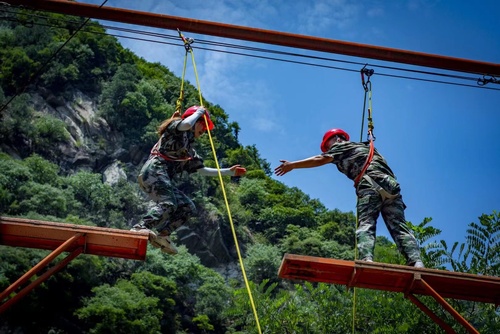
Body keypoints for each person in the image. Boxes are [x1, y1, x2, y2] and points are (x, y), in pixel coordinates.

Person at [274, 128, 424, 268]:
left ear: (337, 139)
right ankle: (416, 262)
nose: (329, 148)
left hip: (370, 185)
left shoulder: (341, 146)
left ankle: (367, 260)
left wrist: (293, 165)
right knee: (400, 228)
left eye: (329, 145)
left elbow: (321, 159)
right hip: (391, 187)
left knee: (366, 224)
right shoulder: (366, 147)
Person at [131, 105, 246, 254]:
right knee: (169, 203)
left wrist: (228, 172)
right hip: (154, 170)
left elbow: (202, 170)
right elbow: (185, 124)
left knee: (187, 206)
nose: (204, 131)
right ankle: (140, 227)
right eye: (203, 125)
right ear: (196, 120)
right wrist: (199, 112)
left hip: (161, 176)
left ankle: (163, 235)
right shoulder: (176, 128)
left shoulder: (189, 151)